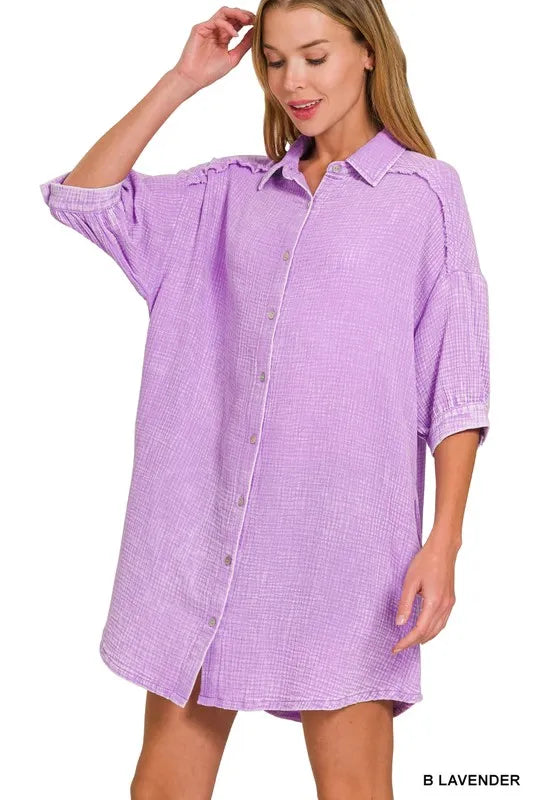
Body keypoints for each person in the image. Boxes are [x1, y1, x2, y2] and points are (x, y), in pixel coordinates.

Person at [39, 2, 490, 798]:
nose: (292, 82)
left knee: (353, 787)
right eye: (274, 61)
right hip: (204, 533)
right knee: (163, 788)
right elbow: (85, 198)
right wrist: (181, 80)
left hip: (344, 542)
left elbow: (454, 380)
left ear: (368, 53)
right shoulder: (225, 193)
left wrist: (443, 540)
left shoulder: (424, 194)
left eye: (314, 56)